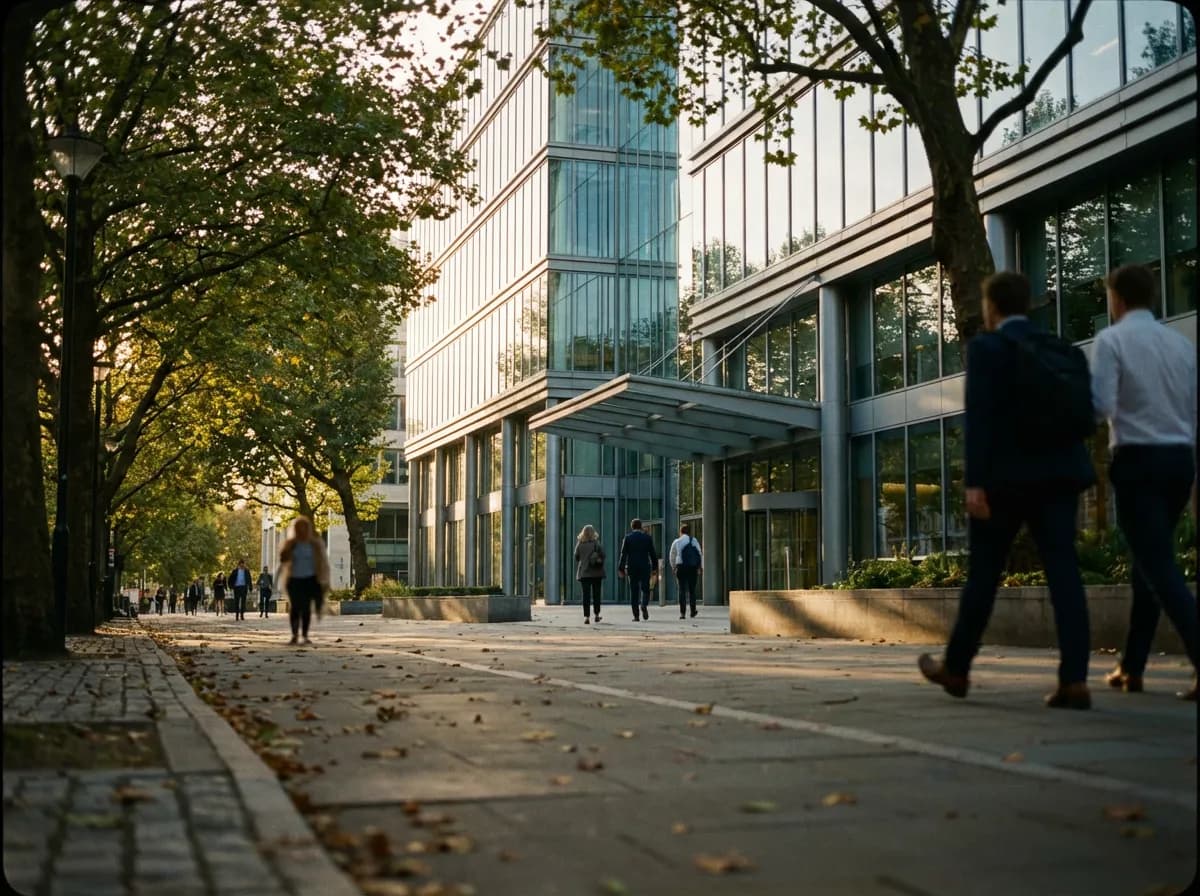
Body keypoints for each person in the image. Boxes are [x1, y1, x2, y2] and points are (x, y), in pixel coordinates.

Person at [918, 271, 1096, 709]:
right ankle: (1074, 680)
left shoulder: (987, 347)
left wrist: (974, 481)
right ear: (1027, 304)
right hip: (1060, 476)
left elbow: (979, 417)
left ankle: (957, 669)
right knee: (1064, 573)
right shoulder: (1061, 348)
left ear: (992, 307)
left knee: (984, 575)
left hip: (1006, 480)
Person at [1091, 263, 1198, 702]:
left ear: (1116, 298)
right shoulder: (1181, 344)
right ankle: (1131, 667)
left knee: (1157, 566)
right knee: (1148, 561)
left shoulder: (1111, 340)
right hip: (1179, 462)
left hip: (1137, 461)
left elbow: (1100, 405)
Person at [277, 516, 331, 646]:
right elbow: (283, 559)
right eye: (298, 528)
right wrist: (287, 549)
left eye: (304, 527)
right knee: (295, 607)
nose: (301, 530)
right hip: (294, 579)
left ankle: (305, 635)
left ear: (308, 529)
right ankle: (294, 635)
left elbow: (322, 562)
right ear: (295, 529)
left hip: (310, 579)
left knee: (306, 608)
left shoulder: (314, 544)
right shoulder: (291, 543)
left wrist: (323, 577)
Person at [618, 518, 658, 622]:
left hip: (632, 567)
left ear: (632, 526)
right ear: (640, 526)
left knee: (634, 591)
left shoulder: (628, 538)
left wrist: (621, 568)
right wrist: (655, 568)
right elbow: (653, 554)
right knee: (645, 588)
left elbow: (623, 554)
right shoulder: (647, 538)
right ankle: (644, 604)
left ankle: (636, 616)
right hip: (645, 566)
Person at [669, 524, 703, 619]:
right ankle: (693, 611)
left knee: (682, 590)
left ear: (681, 532)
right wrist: (700, 567)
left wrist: (673, 567)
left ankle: (682, 613)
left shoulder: (677, 541)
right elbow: (700, 554)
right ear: (689, 532)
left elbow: (672, 555)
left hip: (681, 567)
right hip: (692, 567)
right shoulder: (694, 540)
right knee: (692, 590)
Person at [573, 525, 606, 624]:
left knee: (586, 596)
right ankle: (596, 615)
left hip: (584, 573)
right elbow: (603, 555)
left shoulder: (580, 544)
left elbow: (576, 557)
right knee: (597, 594)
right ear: (593, 533)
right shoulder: (596, 543)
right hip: (596, 573)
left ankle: (586, 617)